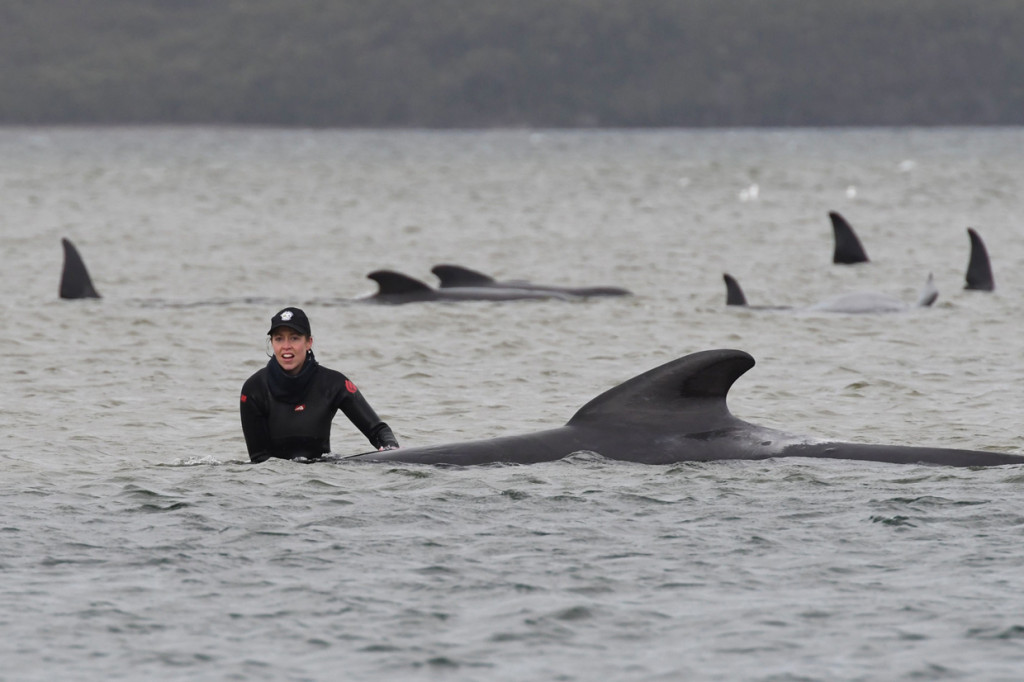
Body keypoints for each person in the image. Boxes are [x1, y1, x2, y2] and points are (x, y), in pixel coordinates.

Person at [240, 307, 399, 462]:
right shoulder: (254, 389)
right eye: (279, 339)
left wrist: (391, 449)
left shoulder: (333, 383)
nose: (286, 346)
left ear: (309, 342)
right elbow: (259, 459)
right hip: (274, 478)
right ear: (272, 343)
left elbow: (378, 430)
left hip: (322, 474)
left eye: (294, 338)